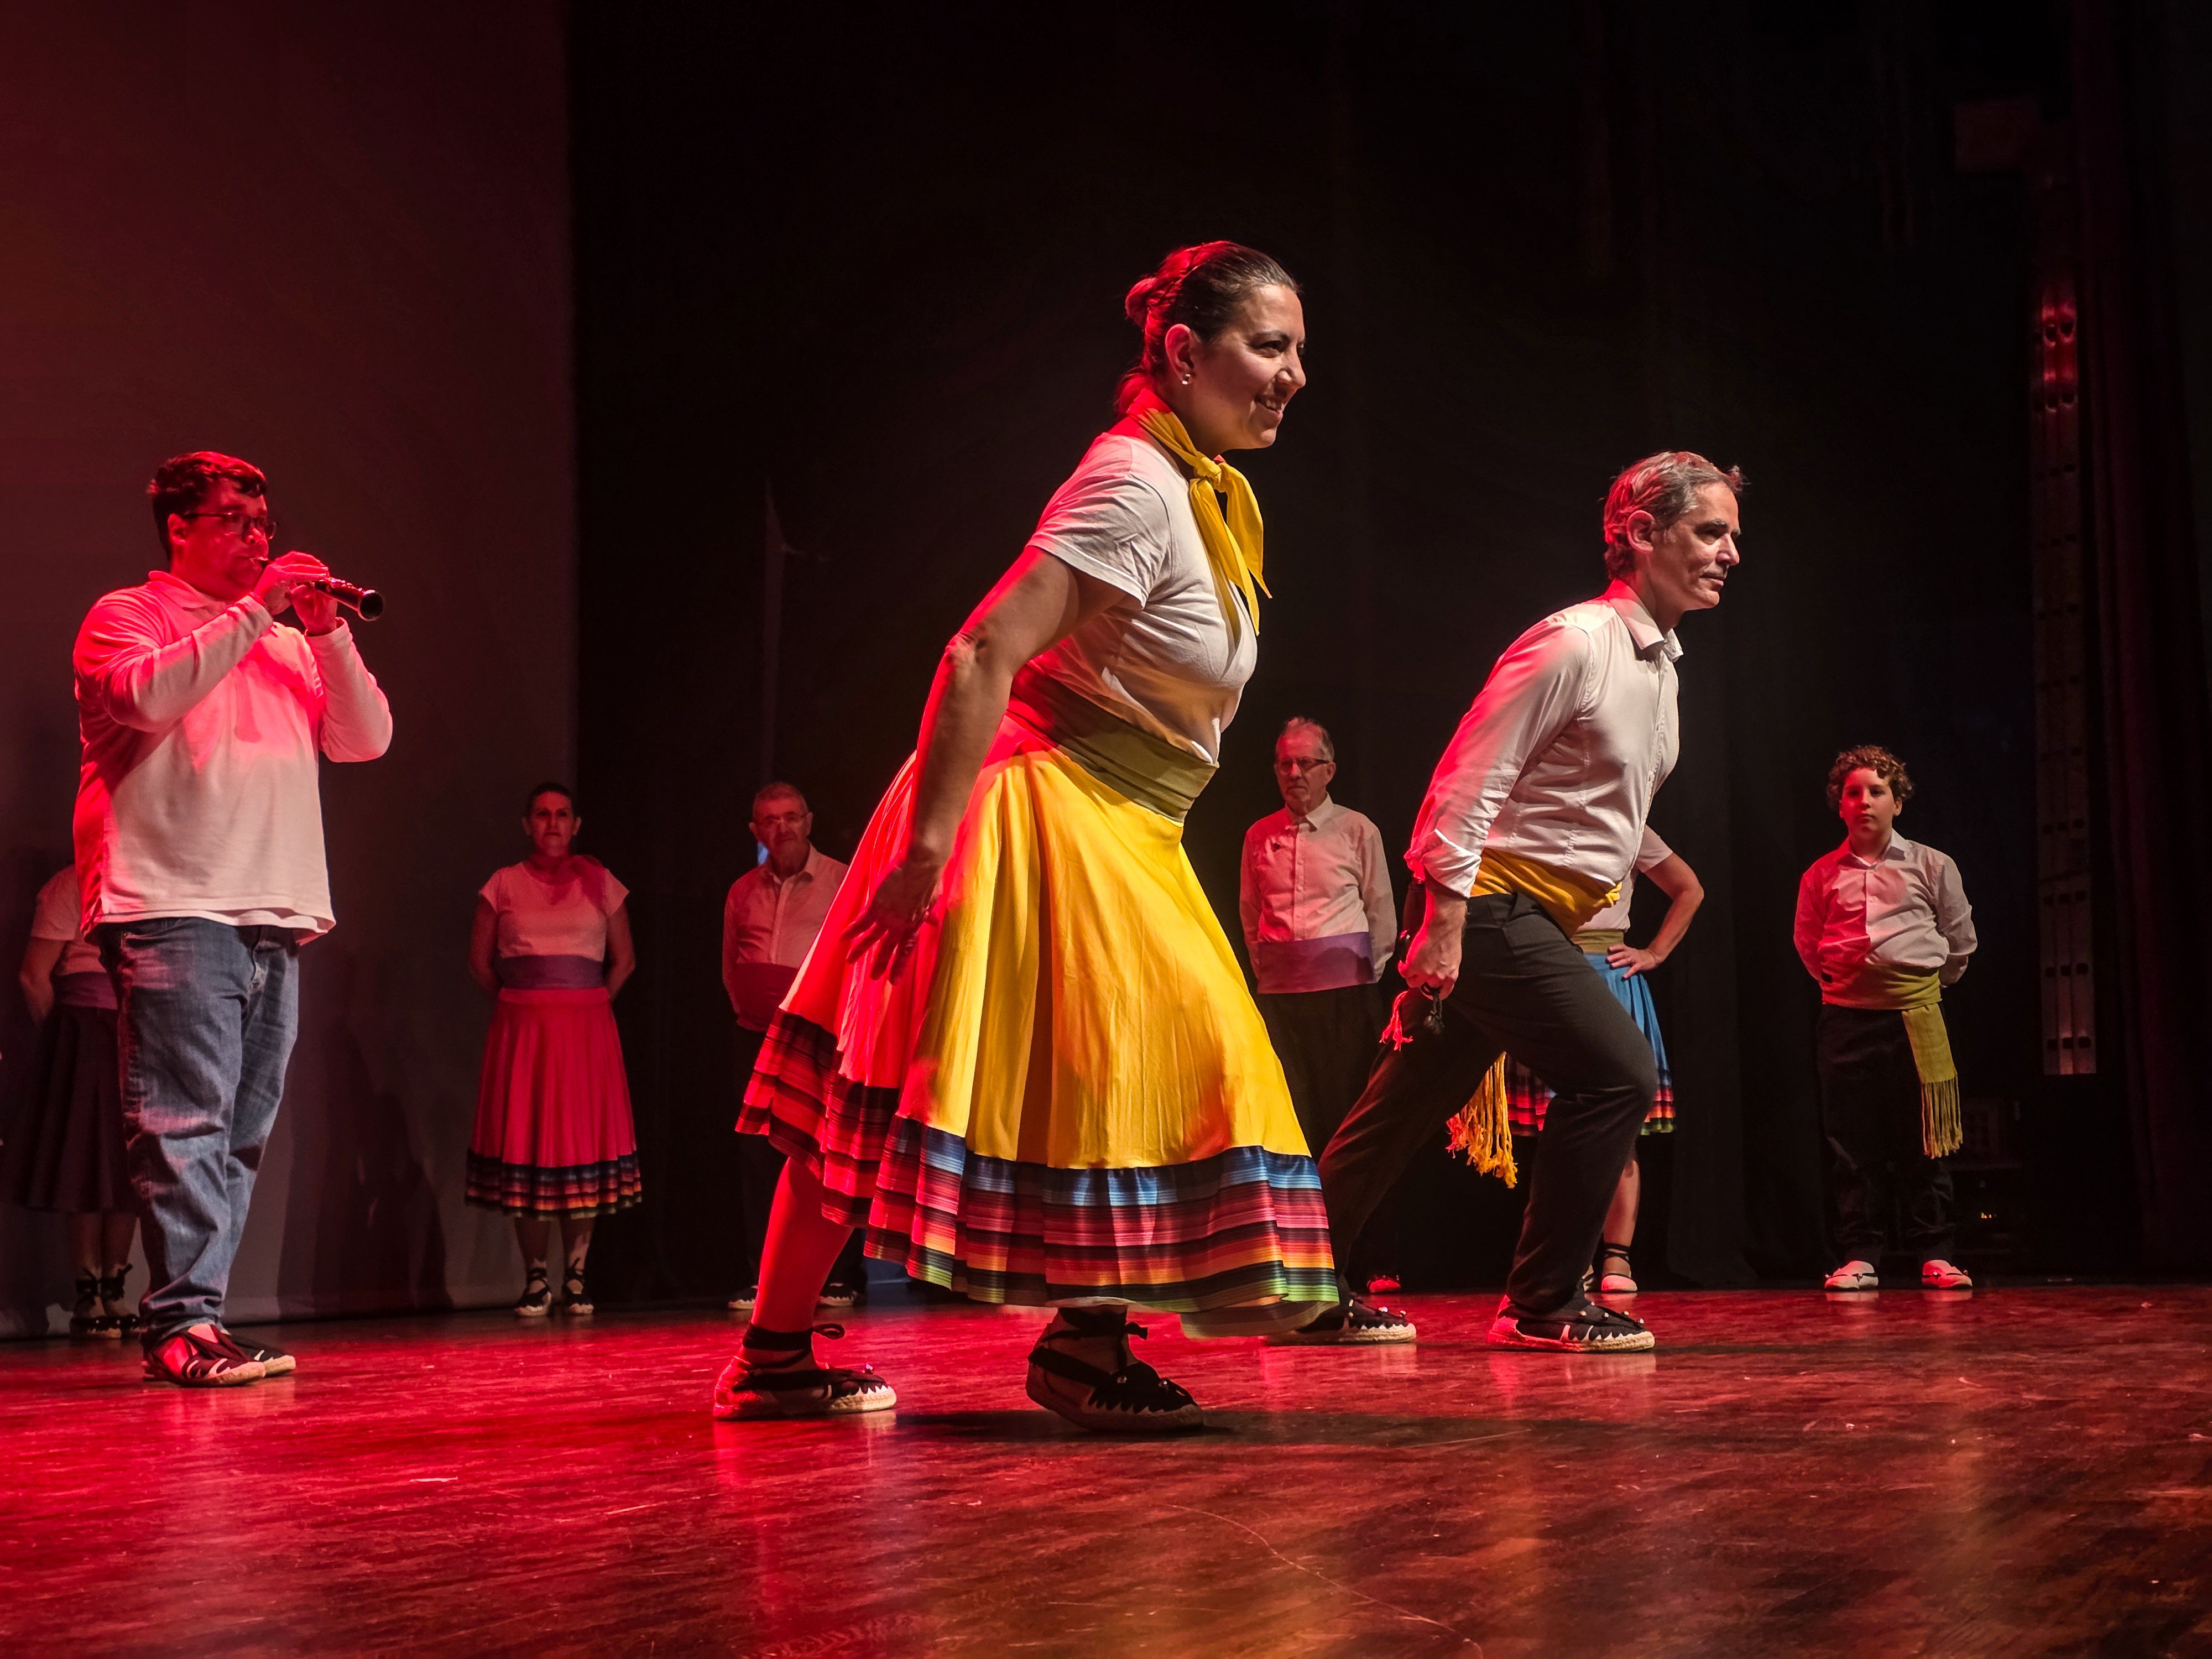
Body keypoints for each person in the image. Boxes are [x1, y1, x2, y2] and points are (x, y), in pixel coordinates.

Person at [718, 241, 1340, 1431]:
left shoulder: (1201, 487)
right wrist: (924, 849)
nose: (1292, 374)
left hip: (1128, 817)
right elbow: (980, 651)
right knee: (882, 1079)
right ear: (1179, 351)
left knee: (1121, 1073)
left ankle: (1074, 1347)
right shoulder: (1133, 482)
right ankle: (779, 1354)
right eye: (1269, 346)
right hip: (1041, 803)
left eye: (1297, 349)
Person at [1296, 450, 1743, 1355]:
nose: (1731, 551)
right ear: (1642, 533)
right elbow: (1469, 777)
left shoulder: (1662, 667)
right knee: (1617, 1072)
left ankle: (1298, 1292)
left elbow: (1596, 813)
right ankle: (1542, 1301)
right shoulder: (1575, 642)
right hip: (1496, 910)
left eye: (1734, 534)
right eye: (1711, 531)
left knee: (1400, 1111)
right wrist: (1446, 924)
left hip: (1541, 919)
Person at [76, 450, 393, 1386]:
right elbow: (145, 697)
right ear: (180, 527)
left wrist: (327, 634)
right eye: (236, 522)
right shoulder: (128, 616)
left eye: (264, 523)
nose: (261, 540)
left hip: (273, 907)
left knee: (238, 1129)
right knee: (182, 1122)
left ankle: (200, 1318)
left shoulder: (289, 644)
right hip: (174, 903)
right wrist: (256, 609)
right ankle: (181, 1326)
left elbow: (366, 741)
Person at [1794, 746, 1976, 1292]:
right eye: (1854, 792)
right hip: (1847, 1020)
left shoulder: (1931, 864)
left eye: (1876, 791)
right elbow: (1807, 944)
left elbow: (1959, 943)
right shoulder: (1820, 875)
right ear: (1839, 805)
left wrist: (1918, 987)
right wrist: (1852, 985)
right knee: (1853, 1144)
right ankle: (1861, 1253)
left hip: (1915, 1018)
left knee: (1925, 1138)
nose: (1864, 801)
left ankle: (1935, 1251)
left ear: (1897, 802)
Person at [1495, 826, 1703, 1295]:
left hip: (1607, 973)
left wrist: (1655, 952)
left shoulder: (1627, 822)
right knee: (1556, 1133)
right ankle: (1571, 1257)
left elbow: (1689, 888)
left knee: (1619, 1131)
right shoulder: (1535, 818)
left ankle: (1617, 1257)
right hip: (1547, 972)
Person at [1239, 717, 1402, 1295]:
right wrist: (1274, 977)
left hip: (1345, 993)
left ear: (1328, 770)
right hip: (1283, 998)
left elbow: (1382, 911)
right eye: (1284, 763)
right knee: (1294, 1124)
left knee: (1350, 1122)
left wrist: (1361, 978)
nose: (1292, 774)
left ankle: (1369, 1256)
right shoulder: (1259, 834)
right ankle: (1300, 1257)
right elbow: (1250, 915)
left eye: (1305, 763)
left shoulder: (1357, 830)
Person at [467, 782, 640, 1316]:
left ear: (576, 823)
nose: (553, 823)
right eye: (542, 815)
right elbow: (480, 963)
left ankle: (578, 1276)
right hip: (524, 1033)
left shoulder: (601, 883)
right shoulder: (503, 885)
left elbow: (624, 961)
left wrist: (588, 1005)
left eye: (562, 814)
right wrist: (524, 1003)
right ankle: (536, 1277)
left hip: (586, 1033)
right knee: (529, 1146)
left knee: (579, 1147)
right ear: (527, 824)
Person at [720, 781, 864, 1311]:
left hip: (819, 1038)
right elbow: (730, 964)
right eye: (769, 820)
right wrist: (749, 1011)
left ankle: (840, 1276)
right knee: (758, 1155)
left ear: (808, 822)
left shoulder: (841, 882)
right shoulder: (742, 890)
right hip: (756, 1037)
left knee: (825, 1153)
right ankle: (767, 1277)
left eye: (789, 818)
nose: (780, 828)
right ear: (756, 830)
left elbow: (855, 957)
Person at [1, 863, 137, 1337]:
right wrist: (61, 1038)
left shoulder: (151, 875)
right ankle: (88, 1293)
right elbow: (32, 976)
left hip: (139, 1025)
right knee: (86, 1165)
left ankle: (114, 1287)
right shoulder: (71, 884)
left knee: (130, 1165)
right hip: (84, 1029)